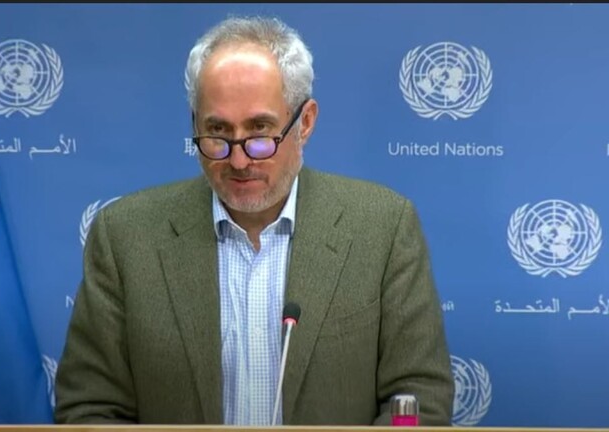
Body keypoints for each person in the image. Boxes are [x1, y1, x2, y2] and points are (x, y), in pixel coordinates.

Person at [55, 15, 454, 426]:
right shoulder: (125, 236)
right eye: (217, 132)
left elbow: (418, 400)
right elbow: (90, 408)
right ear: (194, 123)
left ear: (305, 122)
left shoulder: (382, 227)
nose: (239, 160)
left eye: (260, 131)